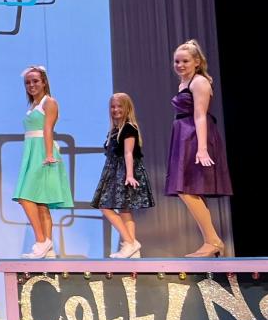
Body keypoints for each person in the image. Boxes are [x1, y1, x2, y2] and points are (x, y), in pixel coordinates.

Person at [167, 40, 233, 256]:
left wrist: (202, 148)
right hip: (184, 135)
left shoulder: (199, 83)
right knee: (189, 189)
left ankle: (213, 240)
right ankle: (211, 241)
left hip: (195, 136)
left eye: (185, 61)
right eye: (177, 61)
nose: (180, 65)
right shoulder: (183, 84)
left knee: (187, 189)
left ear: (197, 62)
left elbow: (200, 116)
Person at [13, 65, 73, 259]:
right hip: (32, 151)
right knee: (40, 203)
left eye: (35, 81)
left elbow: (48, 129)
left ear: (44, 82)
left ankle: (41, 240)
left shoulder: (50, 102)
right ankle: (49, 248)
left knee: (24, 196)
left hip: (42, 151)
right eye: (28, 82)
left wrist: (48, 154)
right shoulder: (32, 105)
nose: (31, 85)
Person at [93, 93, 155, 258]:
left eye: (120, 106)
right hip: (113, 171)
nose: (116, 109)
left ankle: (130, 242)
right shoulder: (114, 130)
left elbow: (128, 153)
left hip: (124, 171)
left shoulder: (129, 128)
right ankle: (132, 250)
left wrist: (129, 175)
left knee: (105, 206)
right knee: (124, 209)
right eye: (113, 106)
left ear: (127, 108)